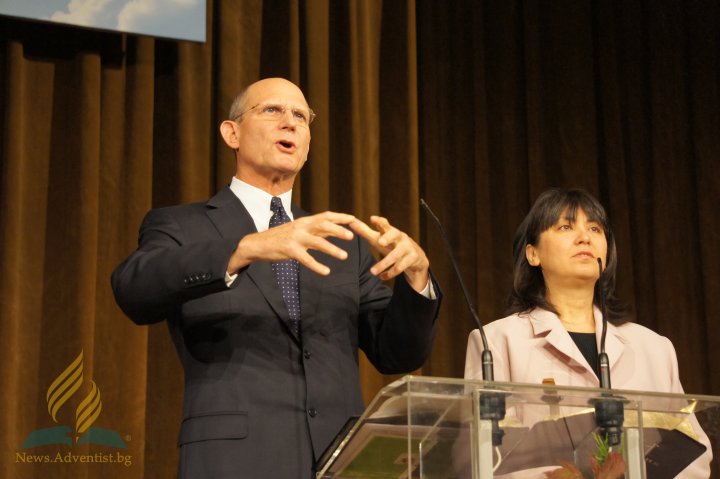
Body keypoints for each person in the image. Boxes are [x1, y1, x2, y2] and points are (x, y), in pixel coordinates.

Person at [111, 77, 442, 479]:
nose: (290, 122)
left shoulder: (337, 241)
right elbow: (134, 289)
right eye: (272, 110)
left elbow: (398, 354)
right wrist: (246, 248)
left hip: (339, 461)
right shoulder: (182, 225)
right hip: (234, 462)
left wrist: (417, 279)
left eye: (301, 116)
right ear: (231, 133)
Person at [464, 187, 711, 477]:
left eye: (595, 228)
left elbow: (693, 454)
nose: (585, 237)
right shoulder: (497, 341)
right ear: (533, 254)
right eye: (566, 226)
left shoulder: (653, 347)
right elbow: (480, 455)